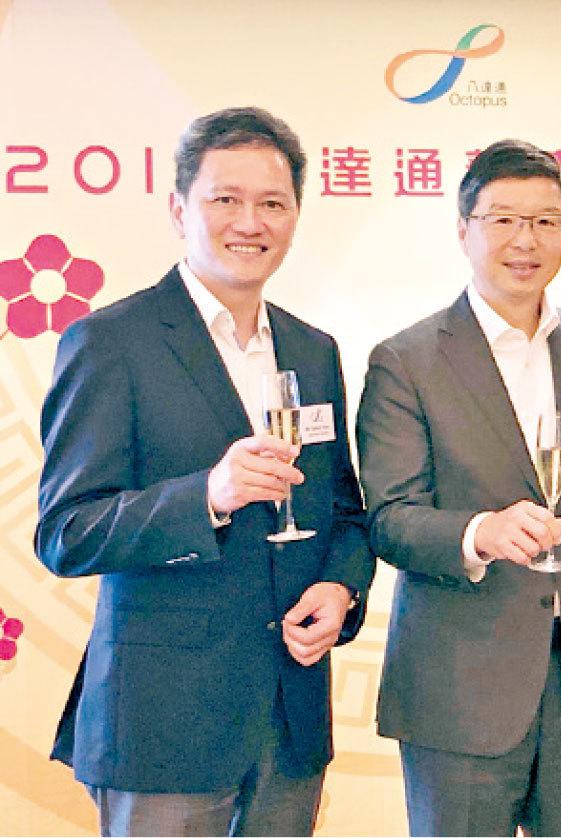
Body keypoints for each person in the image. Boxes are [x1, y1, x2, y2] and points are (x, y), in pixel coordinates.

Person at [35, 107, 374, 836]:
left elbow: (346, 511)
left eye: (273, 203)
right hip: (163, 726)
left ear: (295, 217)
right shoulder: (110, 342)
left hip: (289, 718)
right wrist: (208, 497)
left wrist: (340, 589)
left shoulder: (313, 350)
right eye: (226, 199)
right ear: (179, 209)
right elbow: (65, 532)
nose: (250, 222)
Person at [356, 138, 561, 837]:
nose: (526, 241)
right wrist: (478, 533)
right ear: (463, 230)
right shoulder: (407, 360)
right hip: (460, 687)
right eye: (504, 220)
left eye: (546, 221)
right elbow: (390, 518)